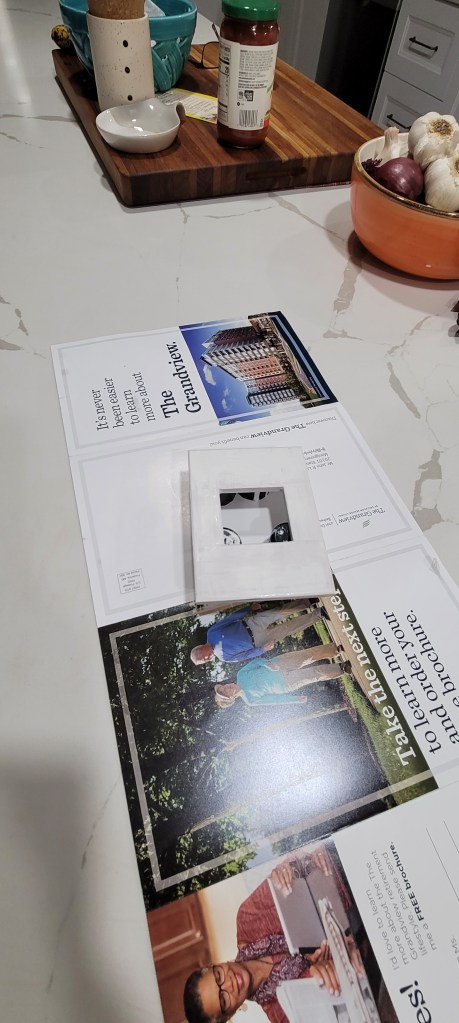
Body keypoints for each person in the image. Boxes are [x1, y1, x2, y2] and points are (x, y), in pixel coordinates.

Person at [183, 847, 362, 1023]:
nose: (229, 984)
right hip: (363, 937)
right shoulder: (281, 1014)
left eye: (218, 976)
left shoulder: (246, 919)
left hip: (343, 869)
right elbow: (348, 995)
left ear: (214, 965)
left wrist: (291, 869)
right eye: (223, 1000)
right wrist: (329, 964)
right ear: (227, 1016)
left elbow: (297, 863)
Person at [191, 603, 329, 666]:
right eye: (204, 661)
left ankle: (308, 601)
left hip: (252, 624)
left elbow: (230, 619)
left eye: (203, 658)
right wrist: (263, 649)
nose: (206, 660)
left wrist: (248, 608)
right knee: (289, 628)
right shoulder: (224, 658)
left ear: (200, 649)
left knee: (278, 612)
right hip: (259, 641)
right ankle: (319, 613)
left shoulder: (211, 633)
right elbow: (246, 655)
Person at [214, 649, 352, 708]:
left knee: (307, 655)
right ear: (232, 698)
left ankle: (335, 649)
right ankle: (342, 667)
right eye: (225, 693)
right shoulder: (250, 700)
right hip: (285, 684)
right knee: (314, 674)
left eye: (223, 688)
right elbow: (275, 700)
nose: (226, 688)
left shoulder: (241, 675)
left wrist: (268, 664)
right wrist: (295, 700)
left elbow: (256, 662)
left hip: (279, 664)